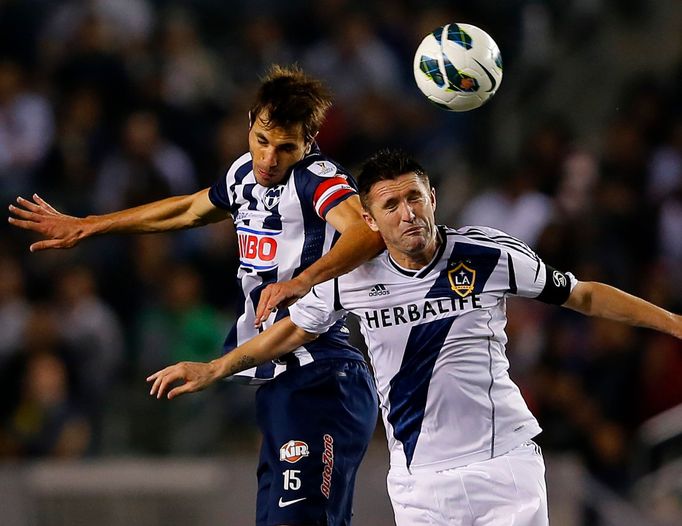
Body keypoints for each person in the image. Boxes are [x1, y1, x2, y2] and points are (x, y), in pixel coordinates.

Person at [147, 149, 682, 526]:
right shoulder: (349, 280)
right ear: (370, 218)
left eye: (415, 198)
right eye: (391, 205)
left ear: (433, 198)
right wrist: (216, 369)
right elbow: (288, 333)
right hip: (418, 484)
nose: (408, 213)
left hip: (504, 466)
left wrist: (675, 323)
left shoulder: (487, 255)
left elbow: (583, 294)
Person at [8, 65, 383, 526]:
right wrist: (90, 225)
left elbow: (366, 235)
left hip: (323, 375)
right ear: (251, 121)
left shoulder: (317, 177)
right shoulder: (245, 173)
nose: (269, 158)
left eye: (286, 147)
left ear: (308, 141)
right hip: (279, 376)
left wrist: (302, 281)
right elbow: (187, 208)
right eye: (263, 140)